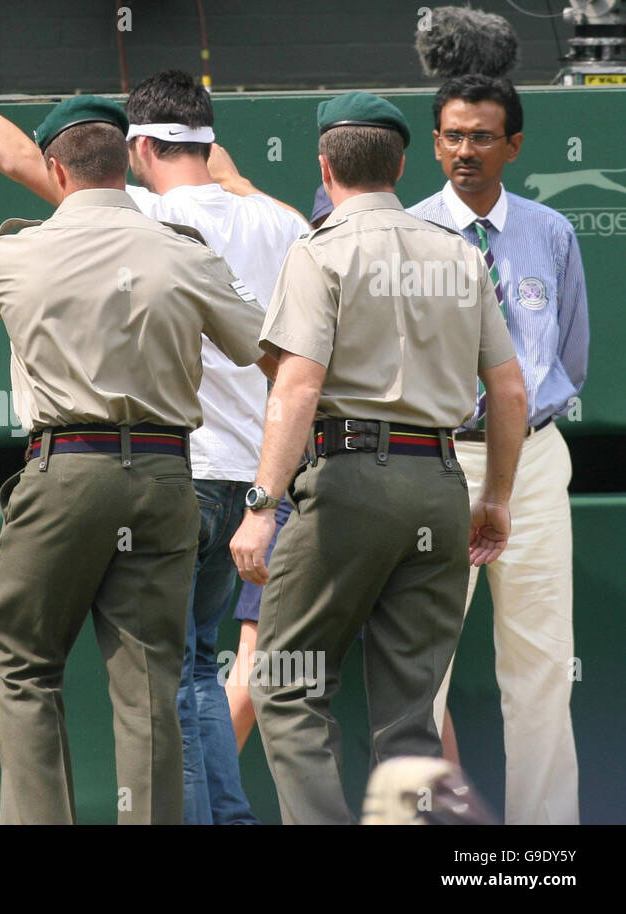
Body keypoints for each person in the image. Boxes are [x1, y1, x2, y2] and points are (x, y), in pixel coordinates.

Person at [0, 52, 304, 826]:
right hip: (171, 478)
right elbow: (274, 355)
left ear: (57, 168)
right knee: (152, 686)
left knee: (21, 663)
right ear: (124, 161)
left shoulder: (16, 251)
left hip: (66, 471)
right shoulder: (187, 253)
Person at [229, 92, 527, 825]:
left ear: (326, 168)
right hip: (440, 482)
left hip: (349, 483)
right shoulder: (461, 253)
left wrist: (262, 506)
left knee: (289, 685)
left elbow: (296, 387)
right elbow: (510, 390)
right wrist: (495, 498)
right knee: (411, 712)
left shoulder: (320, 250)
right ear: (401, 165)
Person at [408, 74, 587, 825]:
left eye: (482, 136)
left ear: (514, 145)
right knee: (422, 672)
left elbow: (569, 357)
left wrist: (519, 431)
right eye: (452, 134)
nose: (465, 150)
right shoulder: (407, 231)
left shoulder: (551, 232)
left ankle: (542, 850)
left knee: (541, 667)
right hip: (438, 458)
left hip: (536, 459)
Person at [224, 187, 334, 751]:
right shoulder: (308, 265)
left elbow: (296, 392)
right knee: (413, 684)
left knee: (417, 689)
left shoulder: (309, 269)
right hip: (341, 485)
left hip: (315, 489)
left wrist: (263, 506)